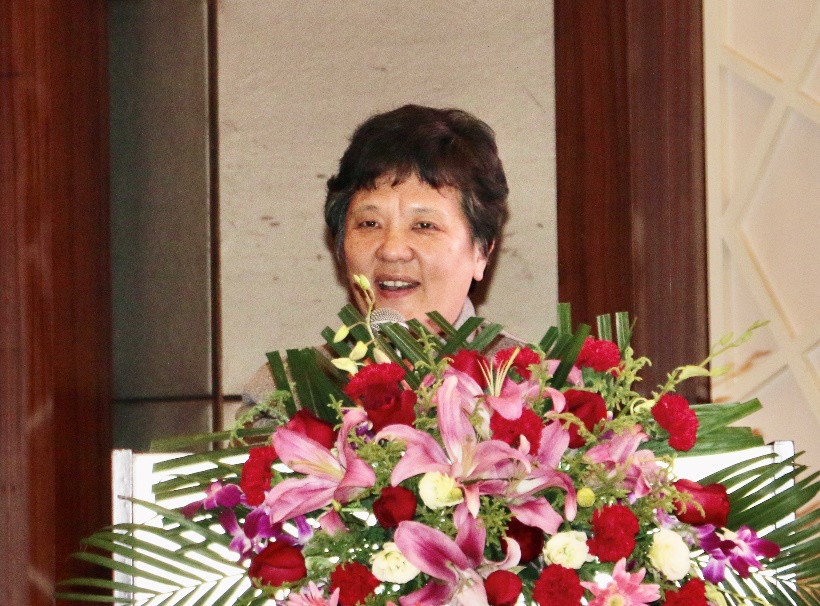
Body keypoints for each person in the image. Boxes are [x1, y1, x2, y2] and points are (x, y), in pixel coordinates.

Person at [242, 104, 522, 406]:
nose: (392, 250)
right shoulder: (289, 392)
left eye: (424, 225)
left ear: (481, 251)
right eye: (369, 223)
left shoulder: (535, 387)